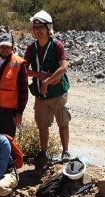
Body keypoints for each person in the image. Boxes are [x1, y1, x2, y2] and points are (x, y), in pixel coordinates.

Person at [24, 10, 71, 166]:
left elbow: (63, 68)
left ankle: (65, 152)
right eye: (35, 27)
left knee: (63, 122)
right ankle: (43, 153)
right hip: (41, 95)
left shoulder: (57, 45)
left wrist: (47, 81)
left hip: (58, 93)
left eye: (40, 27)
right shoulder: (32, 48)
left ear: (48, 28)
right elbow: (24, 69)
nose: (37, 30)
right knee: (42, 125)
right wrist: (39, 75)